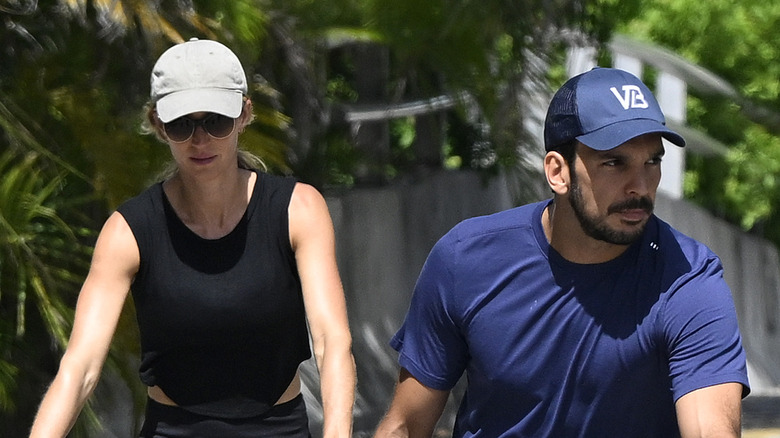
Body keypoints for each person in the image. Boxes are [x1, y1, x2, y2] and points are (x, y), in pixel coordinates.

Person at [374, 67, 750, 438]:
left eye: (652, 161)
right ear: (558, 172)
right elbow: (405, 426)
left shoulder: (687, 276)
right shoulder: (466, 259)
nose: (640, 186)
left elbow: (708, 429)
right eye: (614, 163)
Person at [29, 38, 355, 437]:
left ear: (244, 115)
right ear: (156, 125)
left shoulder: (297, 210)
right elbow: (80, 368)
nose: (200, 140)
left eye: (215, 120)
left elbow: (331, 342)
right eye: (182, 124)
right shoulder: (128, 232)